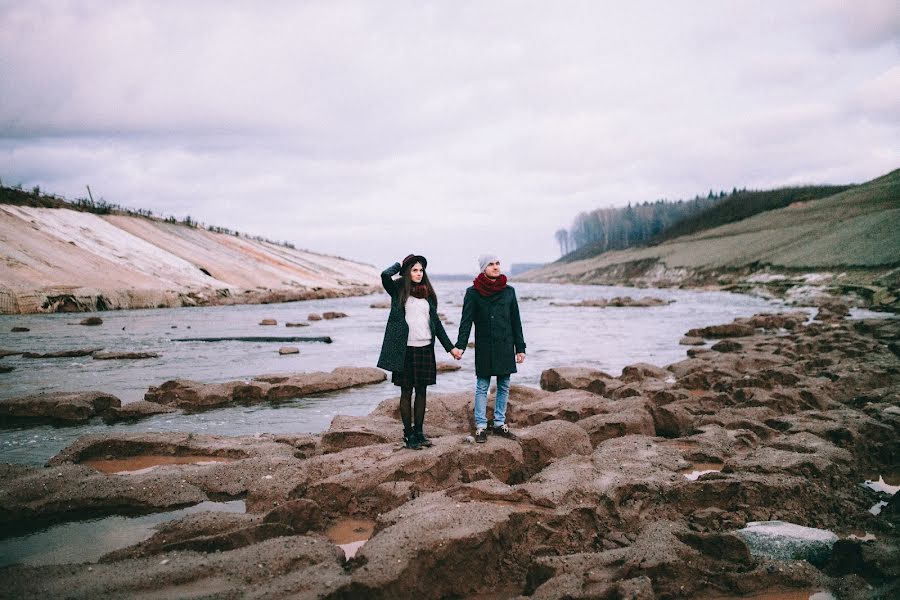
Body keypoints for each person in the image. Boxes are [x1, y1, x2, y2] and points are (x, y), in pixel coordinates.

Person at [377, 254, 460, 449]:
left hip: (425, 349)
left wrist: (451, 349)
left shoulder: (428, 295)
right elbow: (384, 276)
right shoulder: (398, 290)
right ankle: (408, 435)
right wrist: (399, 265)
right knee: (406, 392)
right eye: (414, 270)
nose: (419, 273)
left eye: (421, 270)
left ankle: (420, 432)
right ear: (407, 272)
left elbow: (436, 325)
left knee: (422, 392)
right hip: (405, 350)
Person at [455, 254, 526, 443]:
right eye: (491, 264)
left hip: (505, 344)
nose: (495, 267)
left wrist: (520, 347)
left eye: (497, 263)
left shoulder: (509, 291)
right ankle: (480, 426)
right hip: (485, 346)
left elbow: (516, 321)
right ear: (483, 269)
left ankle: (499, 423)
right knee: (482, 386)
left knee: (504, 385)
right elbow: (466, 322)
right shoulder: (473, 292)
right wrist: (460, 346)